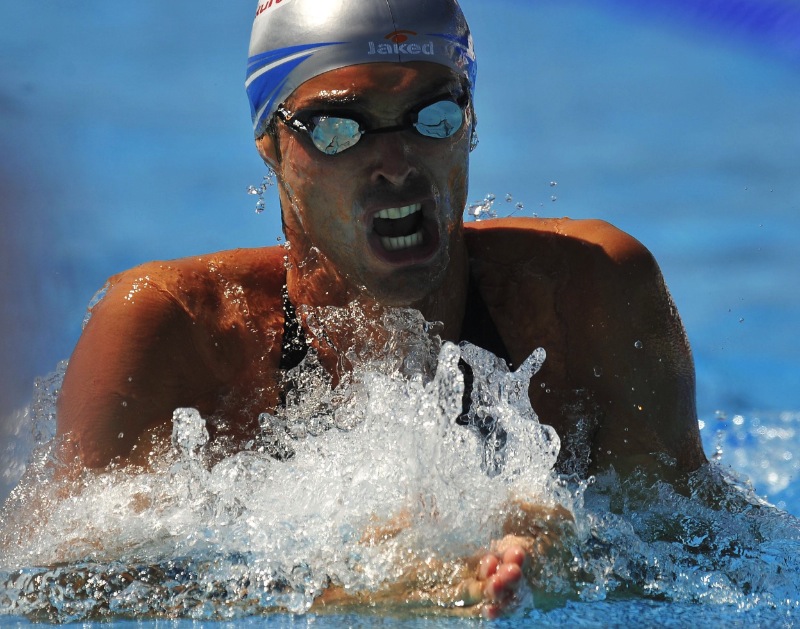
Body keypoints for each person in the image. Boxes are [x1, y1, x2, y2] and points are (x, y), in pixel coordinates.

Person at [54, 0, 706, 617]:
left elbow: (710, 550)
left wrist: (580, 556)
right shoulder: (173, 331)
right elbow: (53, 590)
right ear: (271, 142)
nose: (396, 163)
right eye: (341, 127)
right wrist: (358, 589)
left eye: (433, 118)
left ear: (470, 121)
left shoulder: (586, 298)